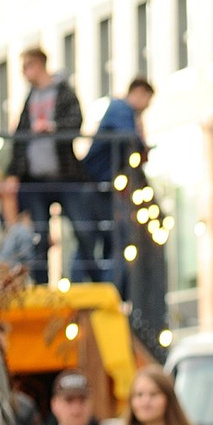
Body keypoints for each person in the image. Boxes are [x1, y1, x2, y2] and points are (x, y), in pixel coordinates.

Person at [0, 47, 88, 280]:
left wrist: (53, 127)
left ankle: (90, 278)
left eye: (27, 67)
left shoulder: (63, 91)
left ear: (39, 64)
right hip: (35, 180)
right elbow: (19, 139)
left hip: (64, 176)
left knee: (83, 228)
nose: (24, 73)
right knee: (38, 236)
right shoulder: (30, 98)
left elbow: (76, 122)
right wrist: (14, 173)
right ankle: (41, 285)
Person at [81, 77, 155, 294]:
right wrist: (142, 144)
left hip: (101, 185)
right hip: (99, 185)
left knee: (97, 239)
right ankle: (108, 289)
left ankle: (103, 287)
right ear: (140, 92)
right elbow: (131, 138)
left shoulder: (122, 111)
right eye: (147, 101)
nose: (146, 108)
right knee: (115, 240)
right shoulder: (121, 108)